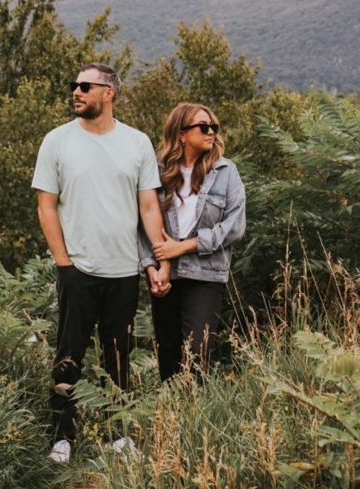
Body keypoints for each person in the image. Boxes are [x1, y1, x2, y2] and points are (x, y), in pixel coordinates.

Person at [32, 63, 166, 462]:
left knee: (118, 356)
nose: (76, 91)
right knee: (68, 355)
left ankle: (117, 435)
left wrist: (157, 260)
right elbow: (46, 206)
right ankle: (62, 437)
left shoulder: (137, 142)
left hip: (124, 270)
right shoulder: (56, 141)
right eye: (74, 85)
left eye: (85, 86)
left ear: (109, 93)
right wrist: (63, 264)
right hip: (78, 269)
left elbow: (148, 206)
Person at [140, 102, 246, 381]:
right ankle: (173, 420)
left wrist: (184, 246)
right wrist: (151, 268)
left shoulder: (225, 171)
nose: (211, 131)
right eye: (203, 126)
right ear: (182, 134)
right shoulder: (157, 171)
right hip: (165, 275)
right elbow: (143, 223)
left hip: (206, 274)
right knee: (169, 358)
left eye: (213, 127)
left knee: (198, 355)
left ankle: (196, 418)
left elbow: (235, 226)